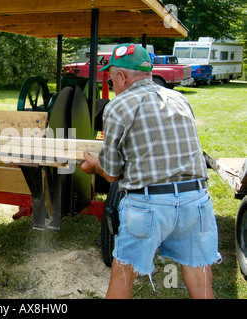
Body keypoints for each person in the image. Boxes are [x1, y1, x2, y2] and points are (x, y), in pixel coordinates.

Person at [80, 44, 221, 299]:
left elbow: (111, 174)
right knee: (201, 282)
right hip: (196, 200)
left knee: (122, 275)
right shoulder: (179, 98)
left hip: (148, 205)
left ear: (123, 77)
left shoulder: (118, 106)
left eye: (112, 79)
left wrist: (93, 165)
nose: (112, 85)